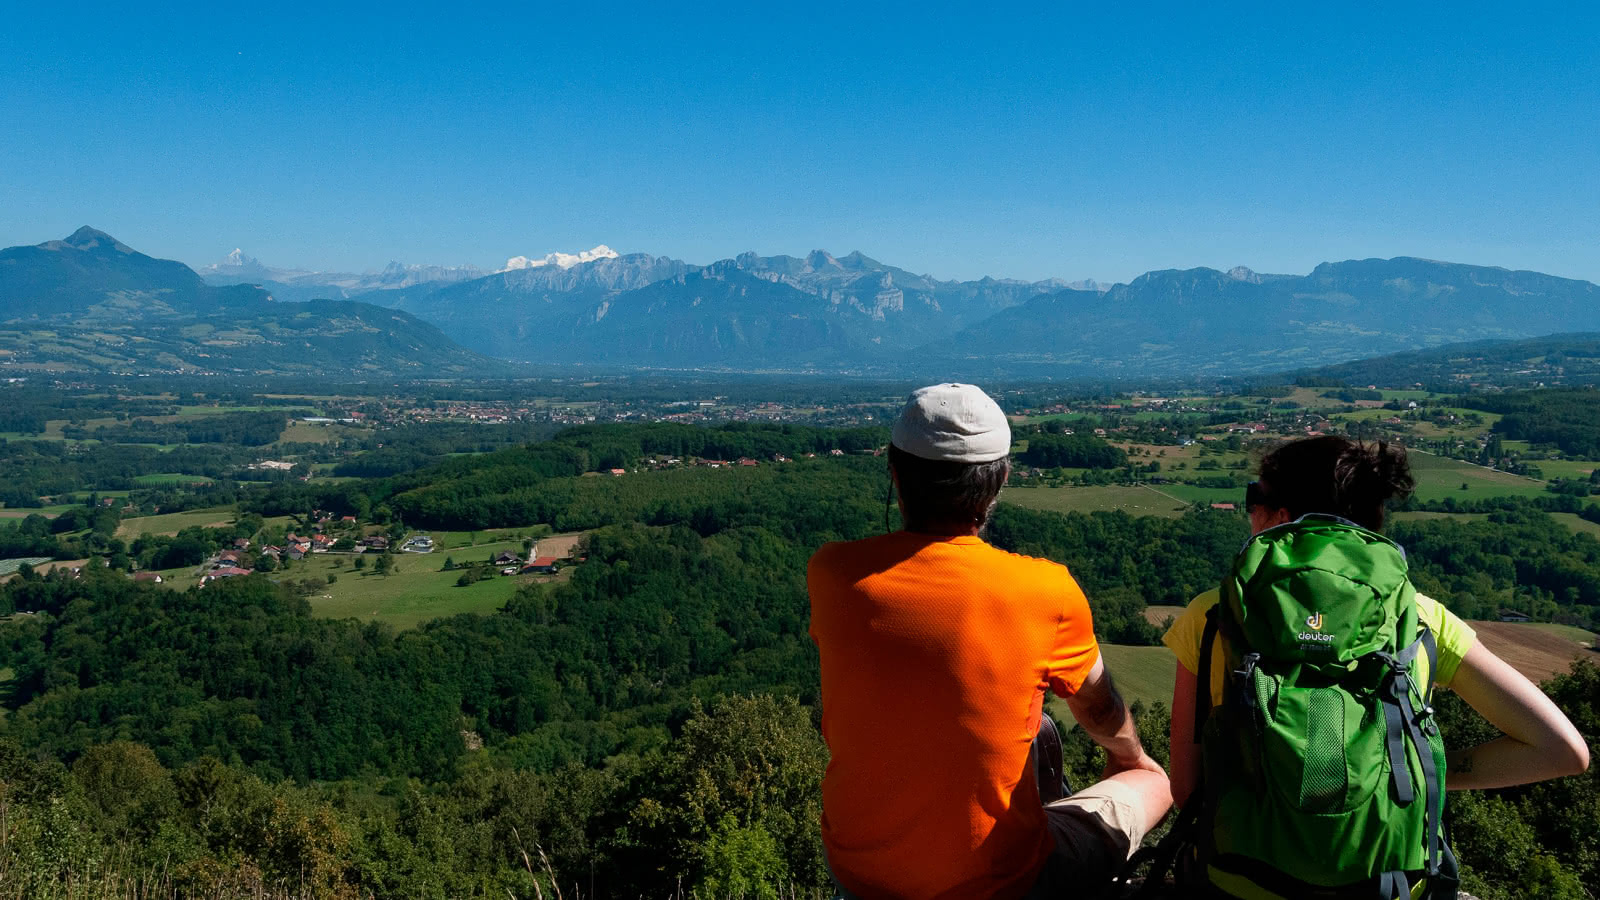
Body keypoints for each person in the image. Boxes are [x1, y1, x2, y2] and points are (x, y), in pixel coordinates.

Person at [1163, 435, 1589, 897]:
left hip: (1240, 882)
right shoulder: (1420, 619)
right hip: (1387, 889)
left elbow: (1186, 789)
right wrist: (1419, 771)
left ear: (1281, 517)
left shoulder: (1212, 618)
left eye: (1253, 496)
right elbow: (1563, 750)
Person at [808, 383, 1172, 899]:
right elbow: (1100, 709)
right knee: (1154, 782)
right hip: (1002, 880)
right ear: (999, 480)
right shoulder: (1045, 591)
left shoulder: (831, 574)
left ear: (894, 472)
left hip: (860, 872)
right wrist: (1131, 756)